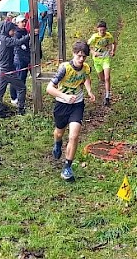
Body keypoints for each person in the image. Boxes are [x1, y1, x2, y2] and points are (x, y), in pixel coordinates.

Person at [46, 41, 95, 182]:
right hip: (62, 104)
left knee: (74, 136)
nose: (81, 59)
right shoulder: (64, 68)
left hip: (77, 105)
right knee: (59, 132)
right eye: (79, 56)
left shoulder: (86, 67)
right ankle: (57, 142)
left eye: (84, 56)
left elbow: (86, 78)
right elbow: (49, 89)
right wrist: (65, 96)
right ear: (74, 53)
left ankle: (67, 166)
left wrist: (89, 91)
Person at [0, 21, 32, 117]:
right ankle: (21, 109)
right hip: (7, 70)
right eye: (12, 31)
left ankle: (0, 110)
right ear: (8, 30)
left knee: (0, 91)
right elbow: (17, 42)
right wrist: (29, 35)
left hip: (0, 68)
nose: (14, 33)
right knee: (21, 88)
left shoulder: (0, 38)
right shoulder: (6, 40)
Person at [87, 20, 116, 106]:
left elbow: (114, 43)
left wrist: (113, 51)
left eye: (104, 30)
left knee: (107, 78)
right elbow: (87, 46)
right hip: (97, 60)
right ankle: (105, 85)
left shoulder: (108, 36)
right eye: (100, 30)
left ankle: (107, 97)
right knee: (102, 79)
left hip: (106, 58)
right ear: (97, 30)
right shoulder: (94, 37)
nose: (102, 32)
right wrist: (93, 52)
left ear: (106, 29)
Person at [10, 15, 31, 107]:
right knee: (18, 79)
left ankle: (20, 98)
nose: (24, 23)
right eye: (22, 22)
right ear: (17, 23)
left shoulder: (24, 31)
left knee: (23, 78)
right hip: (18, 59)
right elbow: (18, 43)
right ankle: (14, 98)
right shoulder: (16, 33)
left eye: (24, 22)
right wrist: (28, 36)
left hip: (25, 58)